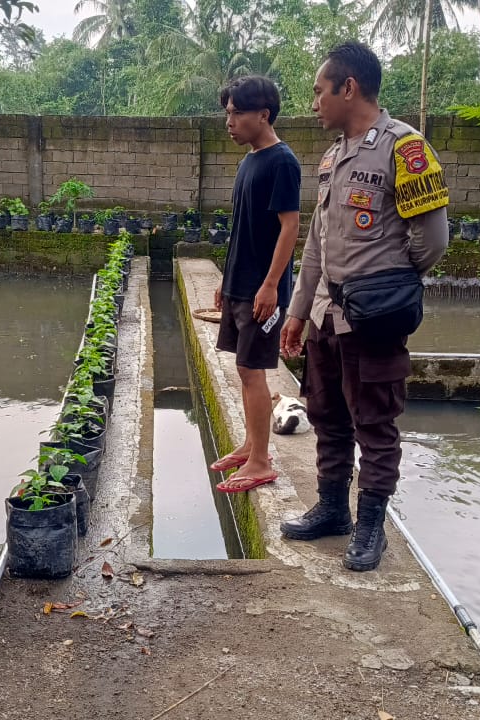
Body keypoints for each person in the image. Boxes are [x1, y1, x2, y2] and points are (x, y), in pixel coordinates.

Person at [279, 42, 449, 572]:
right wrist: (298, 310)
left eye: (318, 91)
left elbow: (432, 241)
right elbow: (316, 242)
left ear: (347, 87)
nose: (314, 103)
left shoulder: (406, 149)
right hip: (328, 315)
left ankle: (370, 525)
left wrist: (388, 283)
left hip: (372, 319)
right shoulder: (333, 156)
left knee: (375, 423)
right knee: (327, 414)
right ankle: (332, 509)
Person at [210, 75, 302, 494]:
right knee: (243, 368)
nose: (229, 122)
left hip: (263, 290)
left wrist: (270, 286)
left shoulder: (282, 162)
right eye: (227, 113)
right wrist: (227, 283)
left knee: (252, 369)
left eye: (237, 113)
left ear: (263, 115)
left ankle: (262, 461)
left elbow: (289, 228)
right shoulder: (249, 162)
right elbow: (241, 230)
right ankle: (251, 445)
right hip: (240, 284)